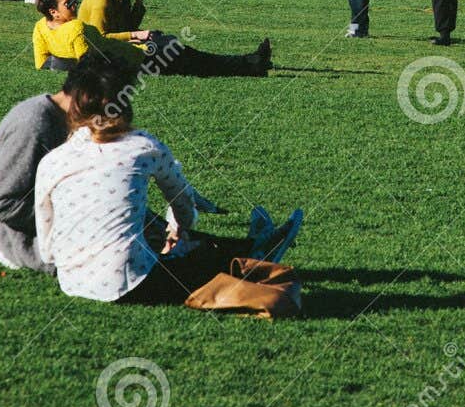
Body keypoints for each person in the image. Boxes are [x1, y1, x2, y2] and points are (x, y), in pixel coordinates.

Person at [34, 63, 299, 306]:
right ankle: (258, 252)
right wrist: (179, 231)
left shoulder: (53, 160)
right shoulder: (143, 147)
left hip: (71, 282)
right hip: (129, 282)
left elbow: (47, 248)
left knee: (167, 252)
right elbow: (182, 201)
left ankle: (255, 247)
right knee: (201, 256)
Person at [0, 62, 91, 271]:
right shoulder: (32, 124)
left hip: (61, 216)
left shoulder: (71, 119)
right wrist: (74, 219)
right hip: (17, 235)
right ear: (85, 97)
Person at [76, 0, 271, 76]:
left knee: (180, 50)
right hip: (109, 61)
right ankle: (251, 64)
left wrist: (138, 4)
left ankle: (251, 62)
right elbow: (98, 40)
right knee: (186, 58)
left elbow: (128, 28)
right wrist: (137, 35)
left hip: (123, 52)